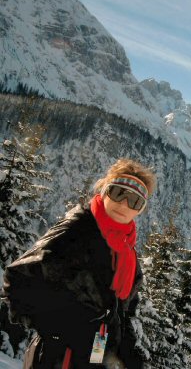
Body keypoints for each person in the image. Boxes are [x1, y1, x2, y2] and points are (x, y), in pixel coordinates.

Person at [2, 158, 156, 368]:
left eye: (135, 201)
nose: (124, 204)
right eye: (118, 192)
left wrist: (128, 355)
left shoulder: (127, 255)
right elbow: (18, 280)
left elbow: (123, 311)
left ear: (140, 210)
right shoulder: (76, 231)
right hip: (56, 356)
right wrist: (57, 330)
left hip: (94, 355)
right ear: (104, 190)